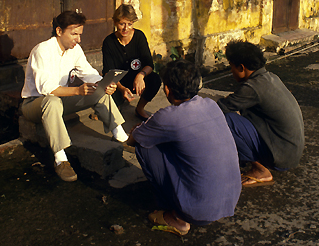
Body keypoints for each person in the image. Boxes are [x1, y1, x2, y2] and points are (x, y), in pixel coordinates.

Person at [127, 60, 241, 236]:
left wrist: (138, 130)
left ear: (167, 89)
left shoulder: (167, 117)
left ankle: (177, 217)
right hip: (230, 200)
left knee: (144, 146)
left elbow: (133, 140)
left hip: (199, 211)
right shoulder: (211, 104)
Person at [21, 11, 129, 182]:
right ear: (59, 31)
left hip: (60, 100)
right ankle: (60, 159)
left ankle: (121, 136)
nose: (78, 39)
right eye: (74, 34)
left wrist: (104, 84)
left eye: (80, 34)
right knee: (52, 101)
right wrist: (78, 91)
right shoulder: (42, 51)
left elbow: (89, 73)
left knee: (98, 90)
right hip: (35, 104)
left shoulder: (74, 50)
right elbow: (46, 88)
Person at [217, 40, 304, 187]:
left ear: (241, 67)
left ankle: (260, 169)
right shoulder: (270, 77)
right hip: (290, 152)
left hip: (282, 155)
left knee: (226, 120)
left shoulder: (252, 87)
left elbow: (219, 108)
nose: (231, 71)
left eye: (231, 67)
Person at [102, 4, 161, 120]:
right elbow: (108, 73)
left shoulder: (139, 36)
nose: (126, 28)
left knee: (155, 79)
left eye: (129, 24)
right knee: (107, 89)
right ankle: (113, 105)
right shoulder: (109, 42)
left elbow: (149, 64)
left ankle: (139, 109)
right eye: (122, 24)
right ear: (115, 22)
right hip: (118, 81)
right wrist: (121, 88)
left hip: (136, 80)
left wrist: (140, 75)